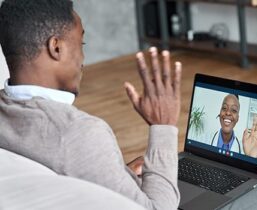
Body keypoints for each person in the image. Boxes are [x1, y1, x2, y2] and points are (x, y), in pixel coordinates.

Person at [0, 0, 181, 210]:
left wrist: (118, 175)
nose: (83, 59)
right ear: (56, 47)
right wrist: (163, 125)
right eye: (81, 44)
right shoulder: (79, 134)